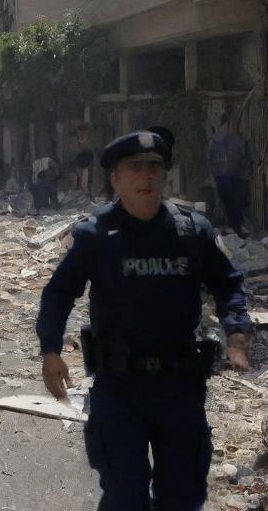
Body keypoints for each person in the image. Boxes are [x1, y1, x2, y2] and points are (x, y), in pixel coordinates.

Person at [37, 130, 253, 511]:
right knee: (124, 496)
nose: (147, 176)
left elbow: (228, 282)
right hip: (119, 389)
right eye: (135, 168)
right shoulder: (96, 234)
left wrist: (236, 330)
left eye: (154, 167)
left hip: (180, 388)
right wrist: (50, 349)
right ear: (115, 178)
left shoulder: (191, 231)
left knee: (183, 498)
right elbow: (58, 293)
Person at [208, 112, 253, 237]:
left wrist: (245, 170)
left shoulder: (240, 138)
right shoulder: (218, 139)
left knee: (237, 204)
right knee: (227, 204)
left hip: (236, 177)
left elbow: (247, 157)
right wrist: (217, 174)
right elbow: (211, 158)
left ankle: (236, 228)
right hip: (225, 178)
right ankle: (229, 228)